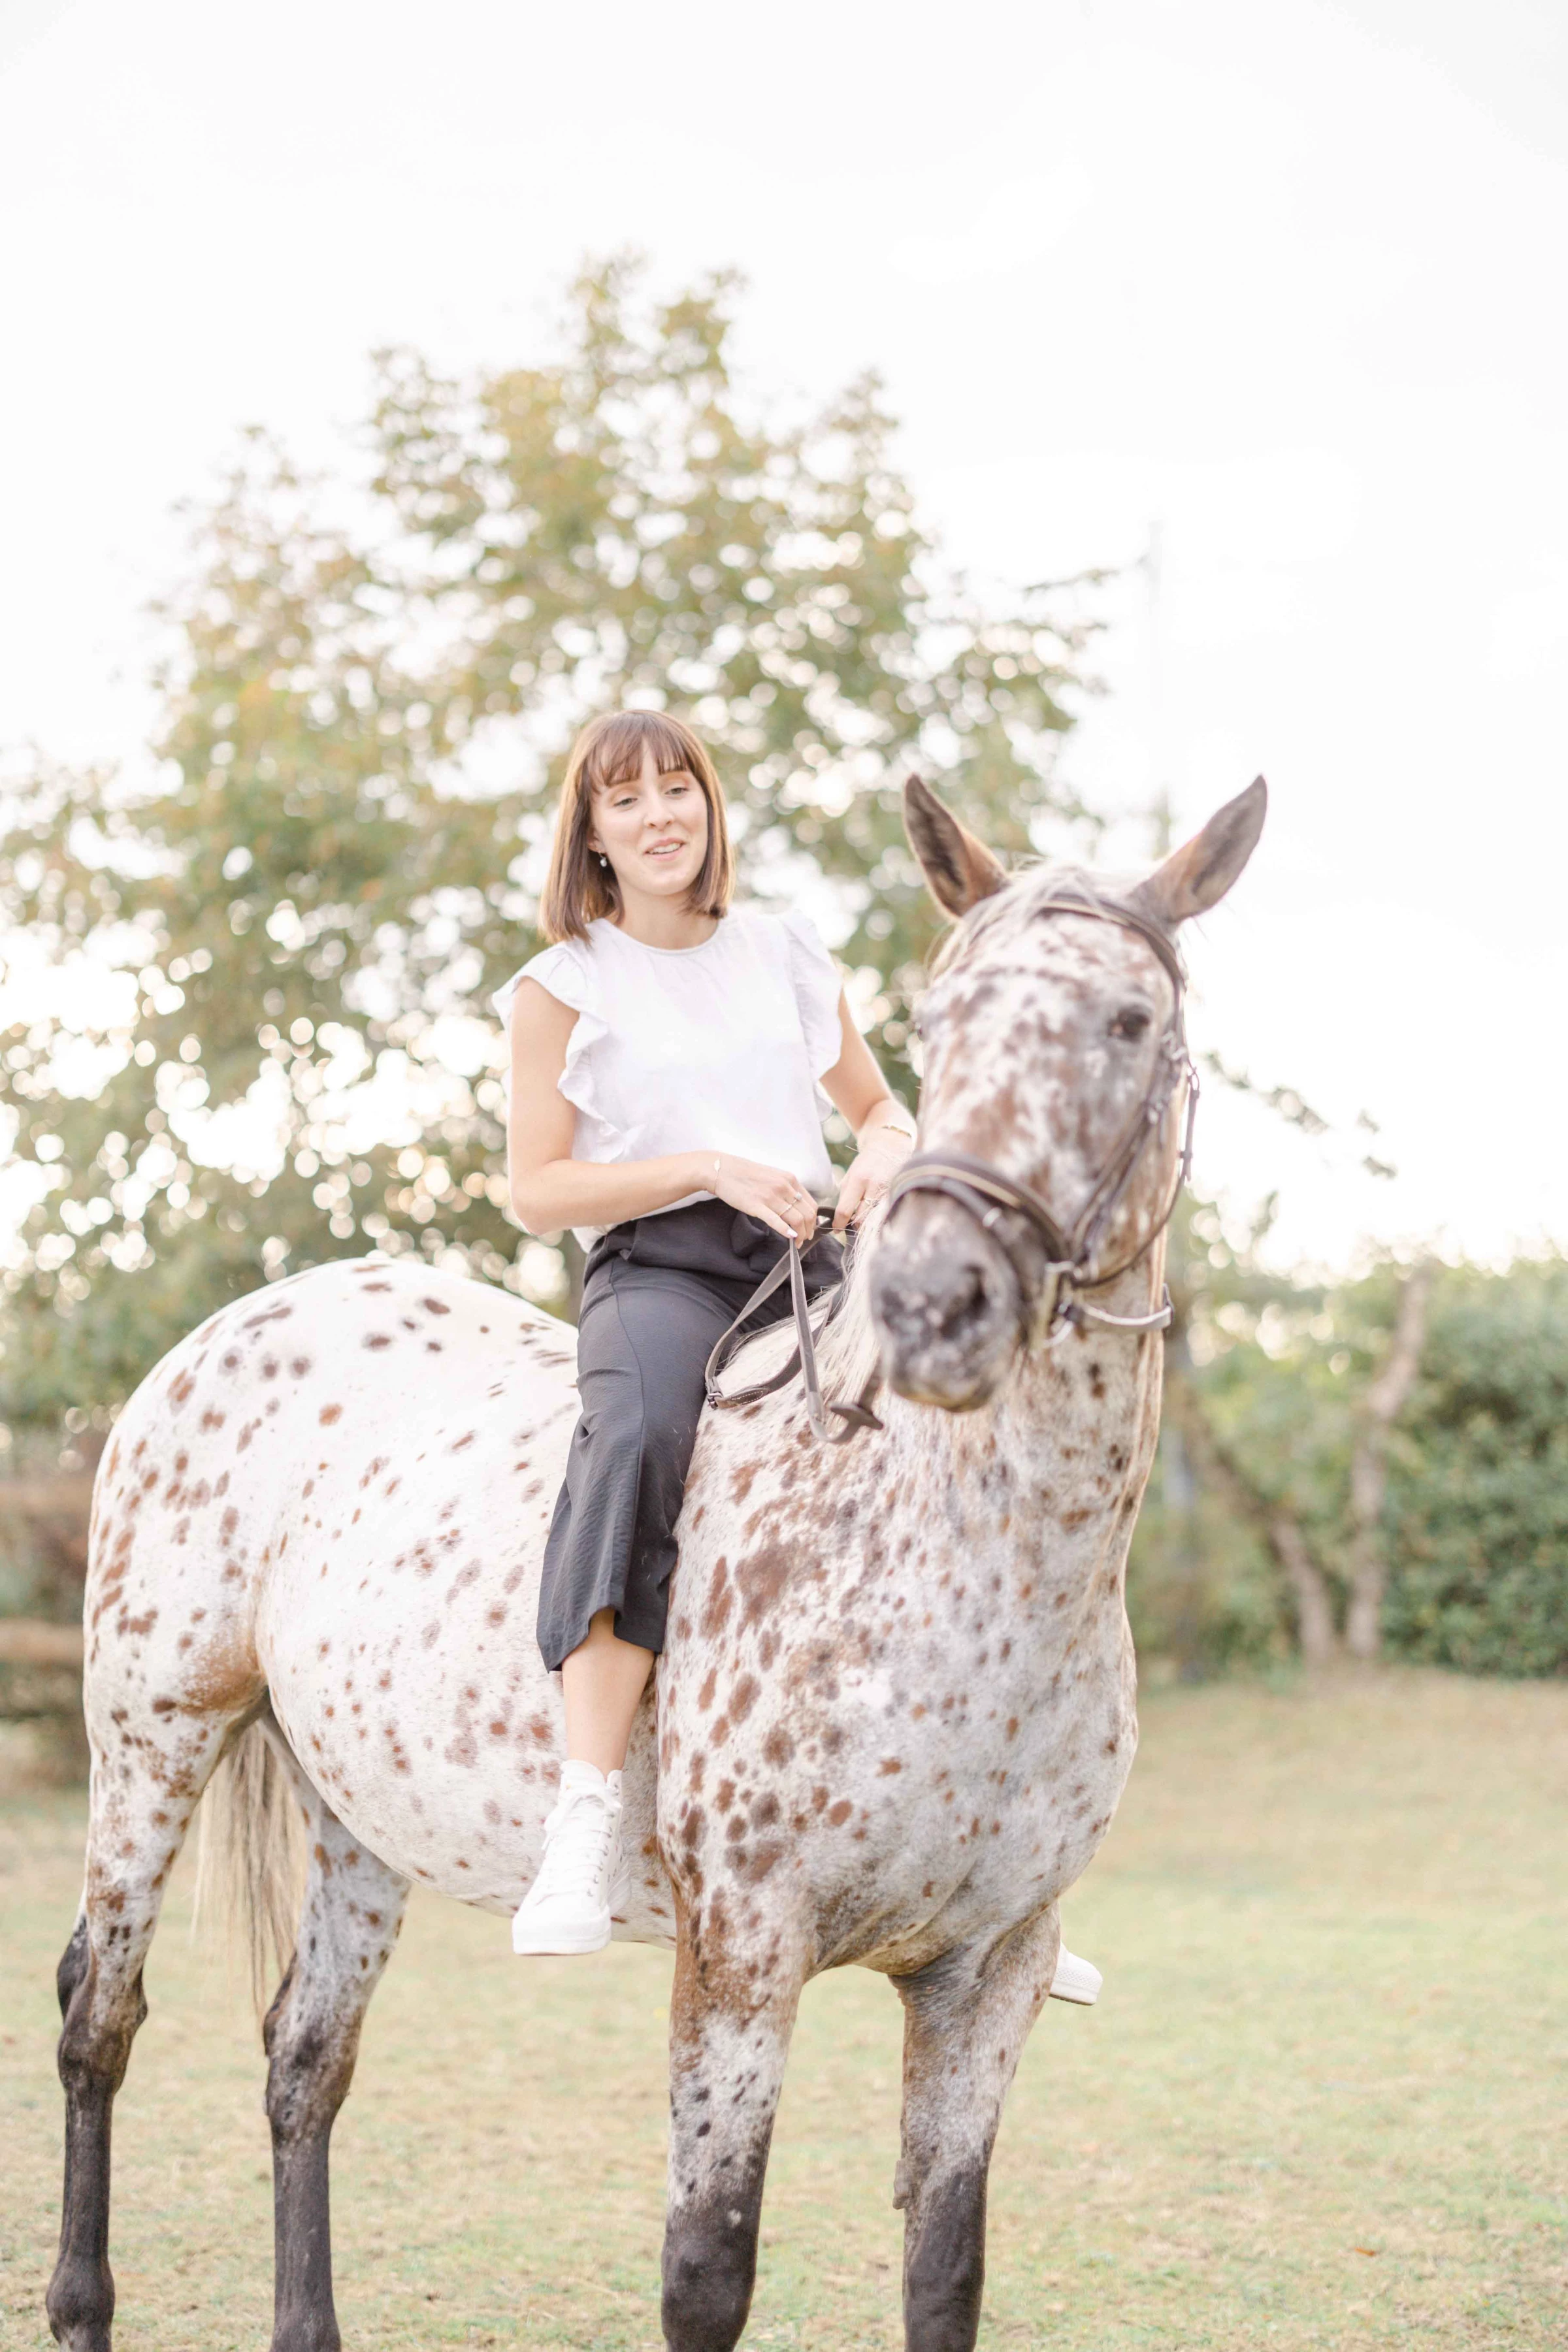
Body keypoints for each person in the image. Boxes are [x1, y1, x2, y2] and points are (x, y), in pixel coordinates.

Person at [494, 710, 1102, 2009]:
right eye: (625, 799)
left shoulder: (781, 950)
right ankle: (585, 1813)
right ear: (591, 834)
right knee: (639, 1441)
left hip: (813, 1264)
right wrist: (709, 1165)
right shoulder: (564, 986)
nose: (659, 815)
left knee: (967, 1425)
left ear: (709, 806)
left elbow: (878, 1107)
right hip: (662, 1271)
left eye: (678, 788)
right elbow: (538, 1189)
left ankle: (999, 1861)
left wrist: (884, 1149)